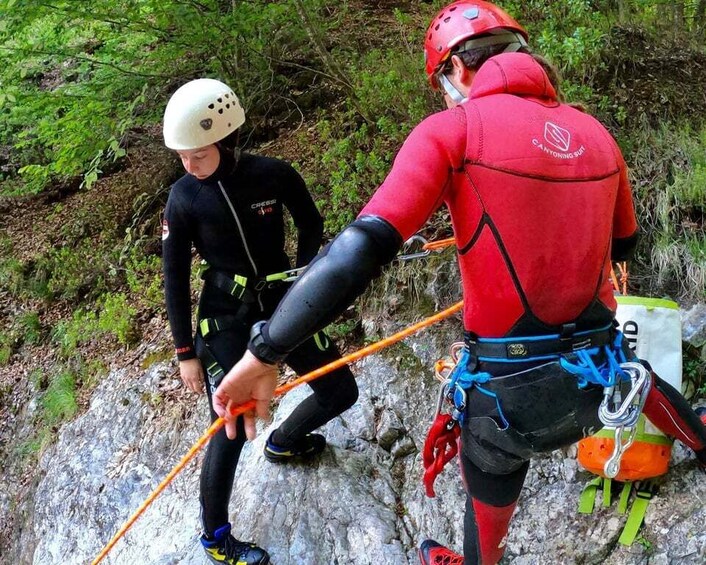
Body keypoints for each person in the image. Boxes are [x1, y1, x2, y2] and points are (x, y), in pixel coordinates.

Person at [210, 2, 706, 564]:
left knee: (487, 457)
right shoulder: (596, 134)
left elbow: (359, 250)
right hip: (602, 385)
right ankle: (701, 439)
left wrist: (265, 351)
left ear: (456, 71)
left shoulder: (452, 131)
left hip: (510, 407)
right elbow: (621, 247)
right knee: (636, 371)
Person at [161, 78, 358, 565]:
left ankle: (286, 442)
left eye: (199, 155)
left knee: (340, 391)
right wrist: (185, 352)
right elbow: (174, 277)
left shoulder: (273, 174)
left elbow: (310, 223)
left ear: (225, 139)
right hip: (225, 317)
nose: (190, 166)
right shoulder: (183, 198)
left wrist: (309, 275)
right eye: (183, 156)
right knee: (233, 417)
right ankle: (215, 538)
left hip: (286, 303)